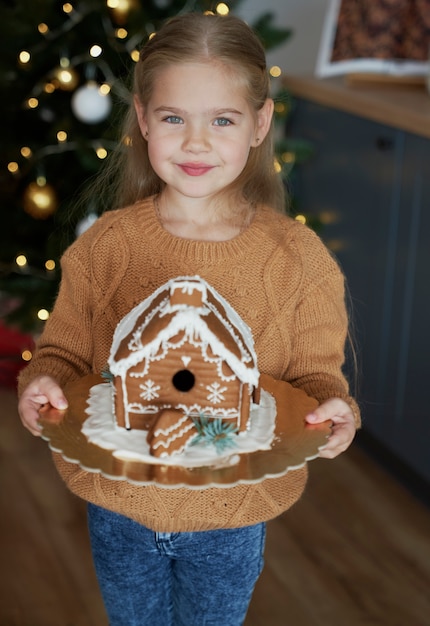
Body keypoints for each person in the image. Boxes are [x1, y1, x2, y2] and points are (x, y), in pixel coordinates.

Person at [18, 12, 360, 626]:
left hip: (232, 514)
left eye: (221, 120)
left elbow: (314, 376)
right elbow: (62, 354)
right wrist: (39, 381)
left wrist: (333, 408)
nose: (195, 143)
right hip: (119, 505)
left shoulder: (298, 260)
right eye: (174, 118)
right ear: (144, 120)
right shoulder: (108, 247)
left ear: (259, 125)